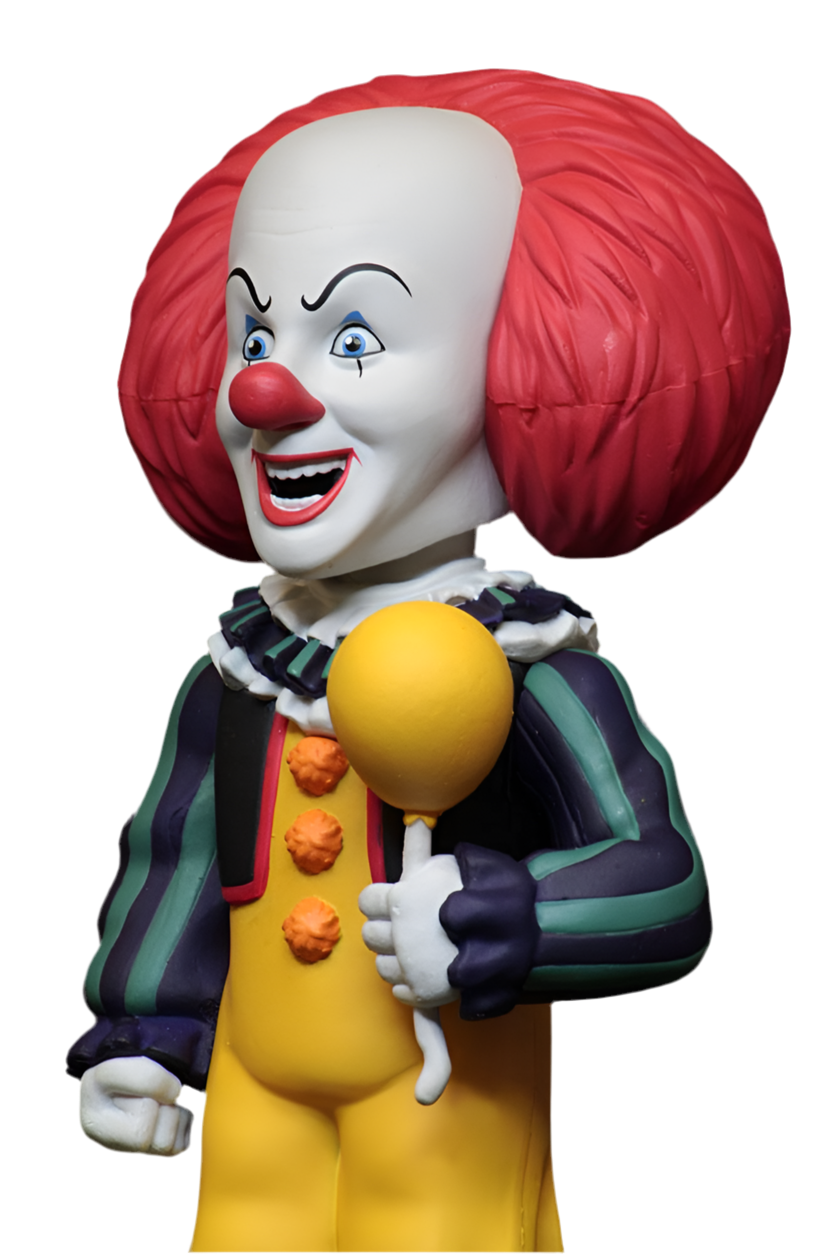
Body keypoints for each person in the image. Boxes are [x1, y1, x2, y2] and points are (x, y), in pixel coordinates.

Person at [66, 71, 790, 1252]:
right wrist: (142, 1035)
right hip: (256, 1098)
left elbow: (662, 886)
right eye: (254, 333)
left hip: (444, 1098)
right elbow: (174, 865)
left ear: (519, 359)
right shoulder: (238, 666)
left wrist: (508, 920)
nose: (263, 387)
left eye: (353, 337)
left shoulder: (527, 663)